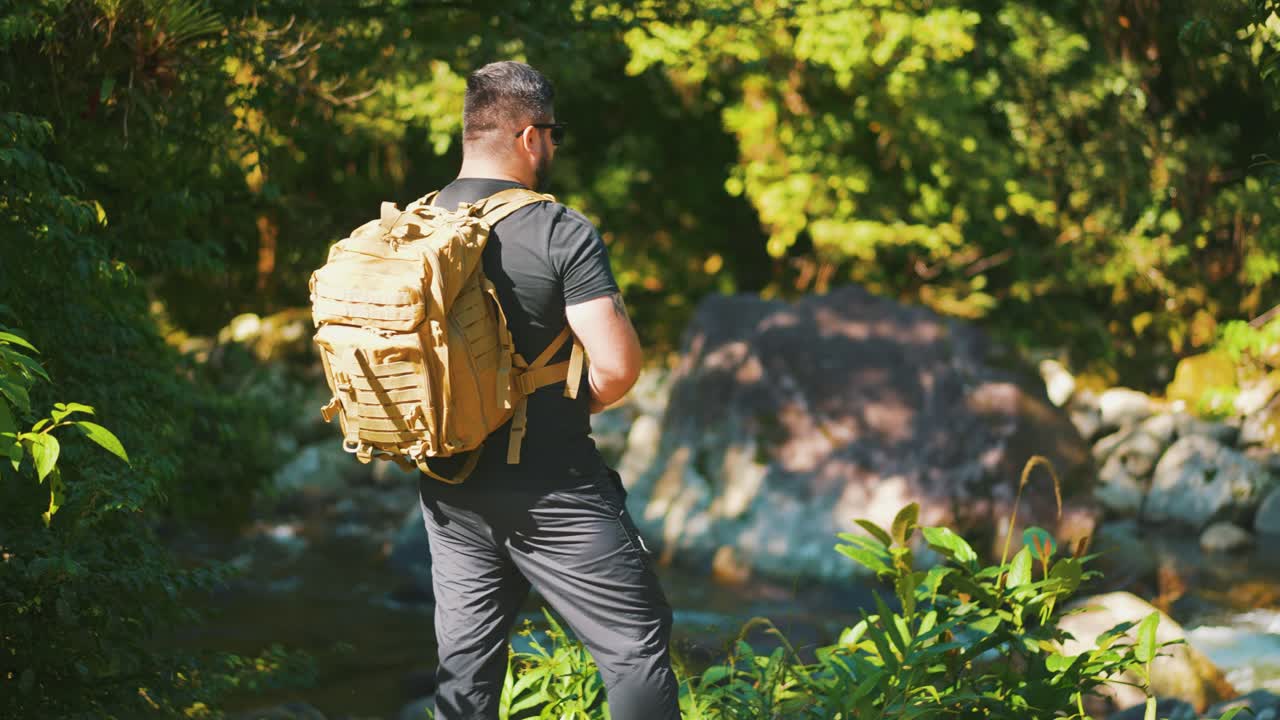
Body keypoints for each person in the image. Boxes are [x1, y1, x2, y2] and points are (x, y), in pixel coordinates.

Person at [414, 60, 681, 720]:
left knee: (465, 668)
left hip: (449, 484)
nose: (553, 148)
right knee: (633, 647)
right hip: (553, 487)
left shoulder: (415, 225)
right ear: (532, 136)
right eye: (553, 135)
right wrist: (557, 402)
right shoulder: (560, 229)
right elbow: (617, 366)